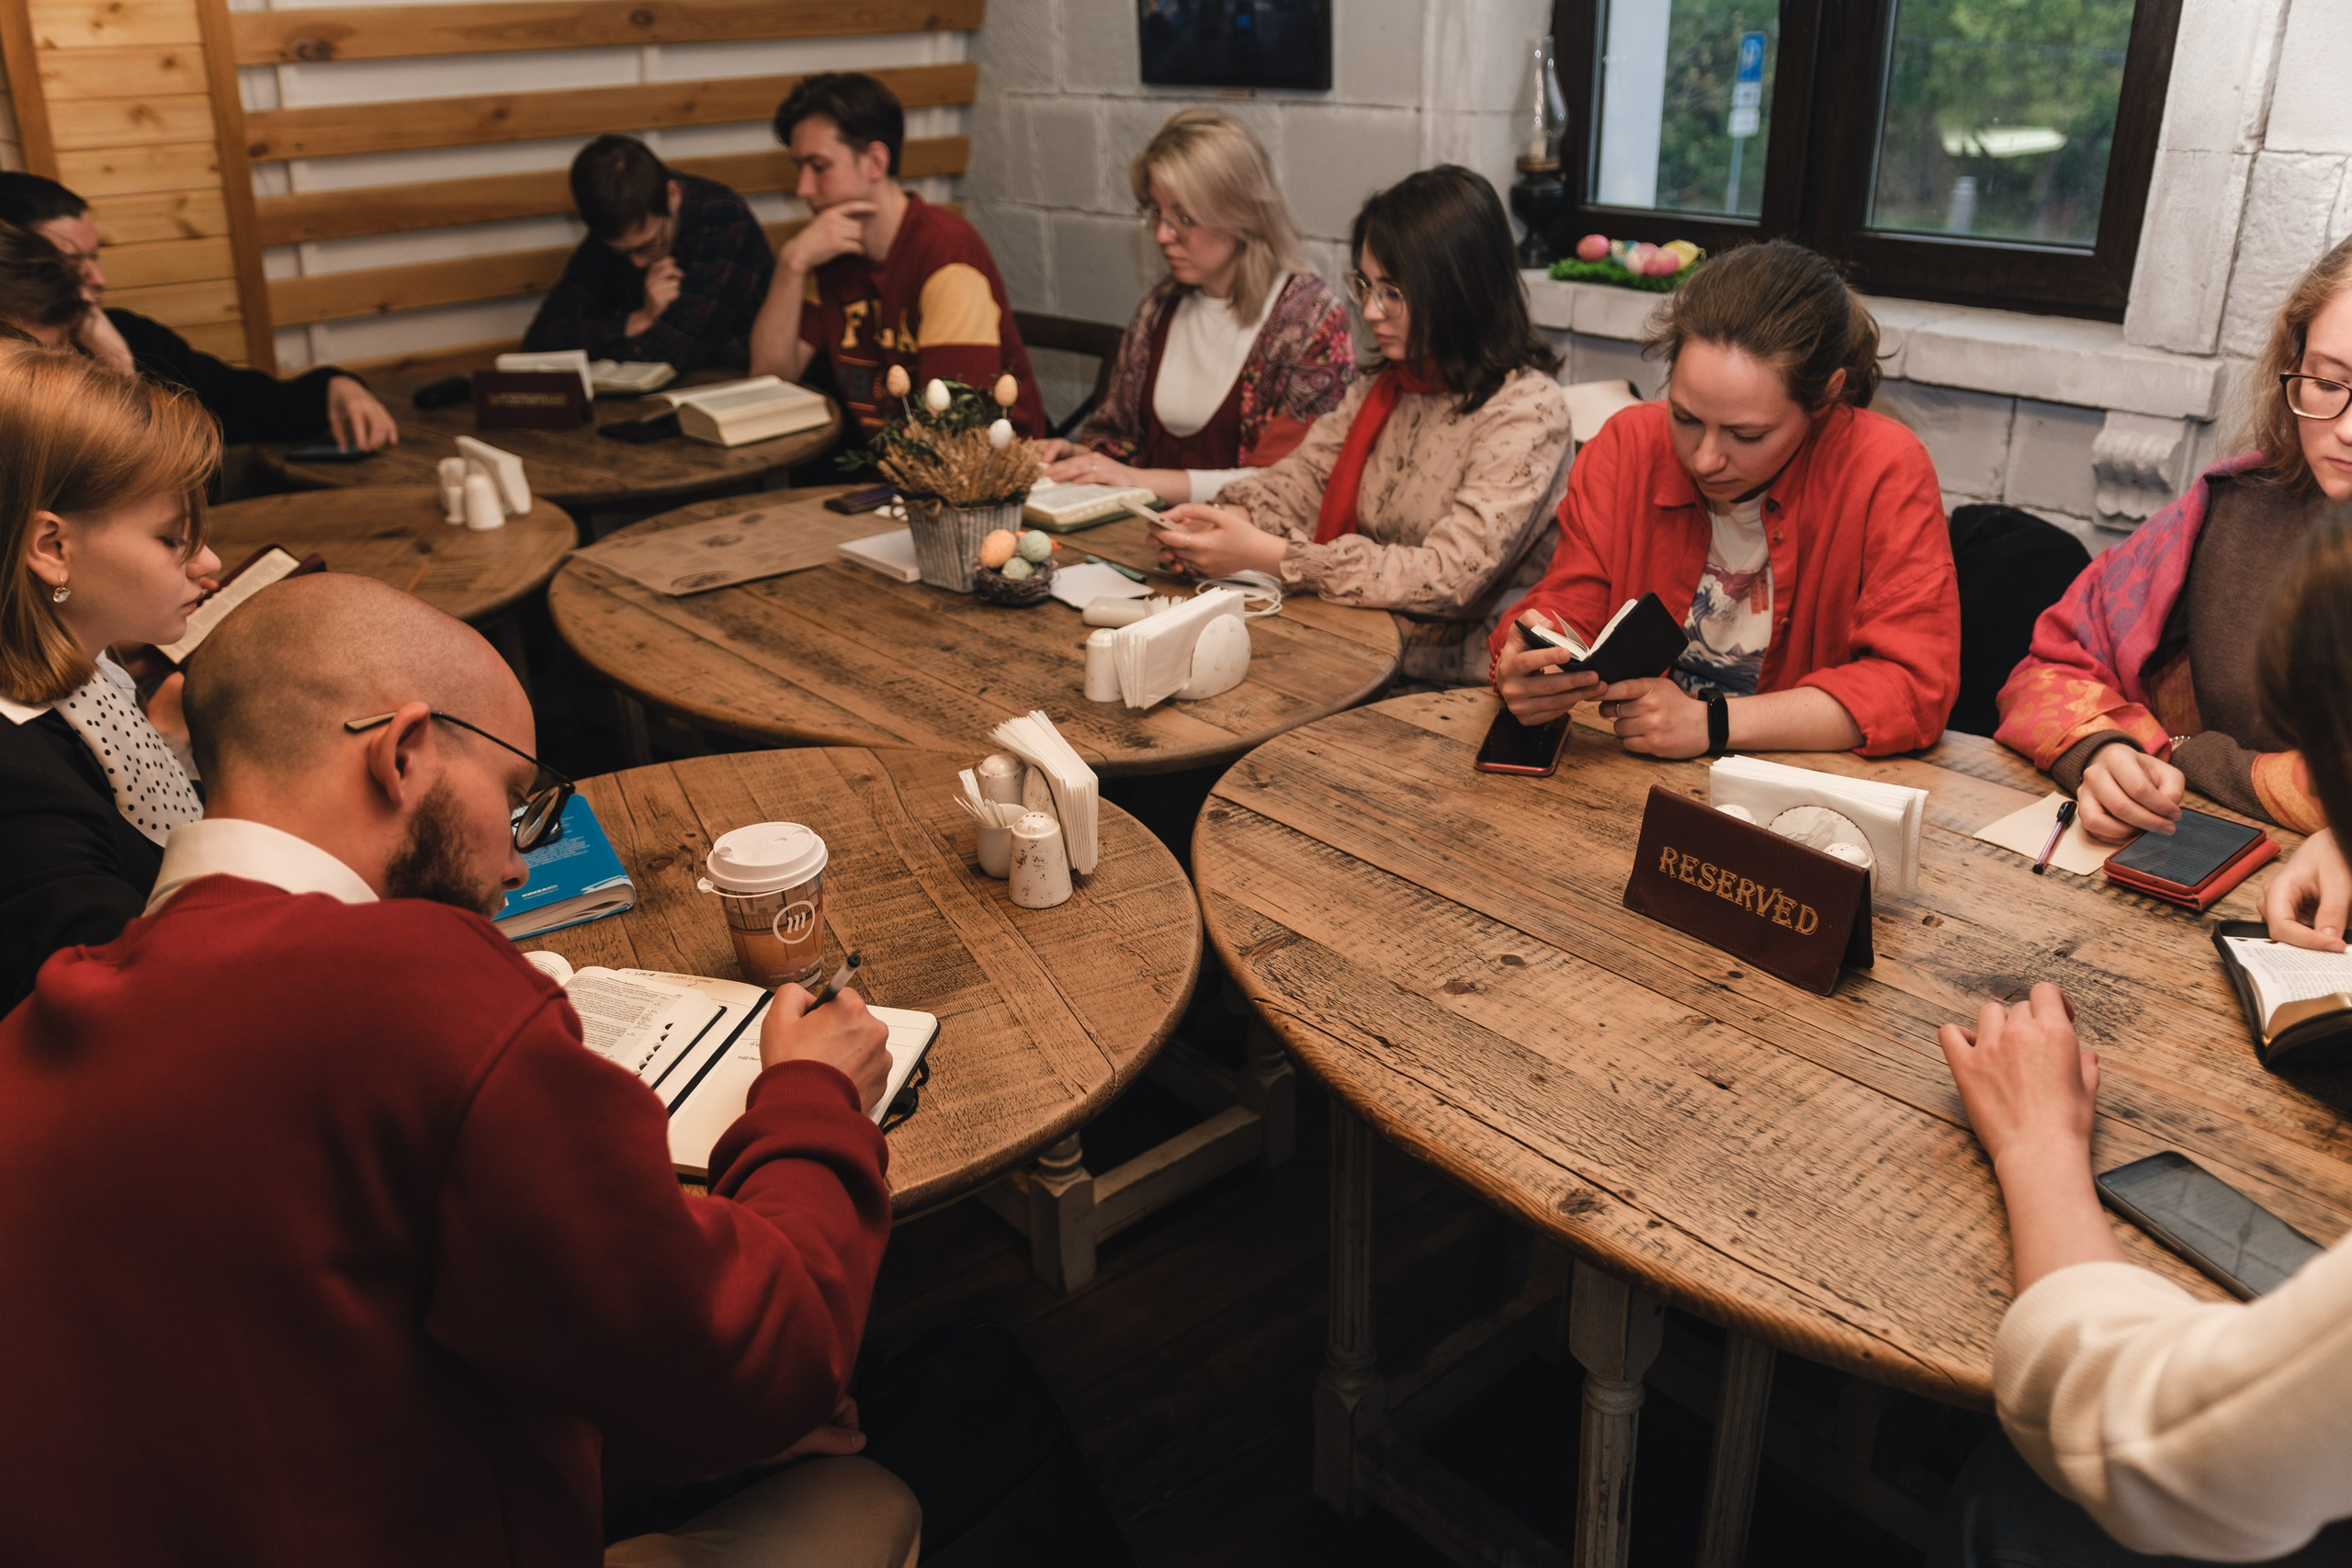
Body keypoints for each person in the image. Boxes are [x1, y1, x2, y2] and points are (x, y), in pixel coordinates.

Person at [0, 570, 922, 1568]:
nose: (519, 863)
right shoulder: (406, 978)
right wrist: (816, 1098)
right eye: (515, 798)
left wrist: (654, 1437)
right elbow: (768, 1359)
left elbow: (331, 1387)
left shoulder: (41, 1023)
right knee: (867, 1495)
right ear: (403, 753)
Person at [1928, 513, 2352, 1568]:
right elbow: (2055, 664)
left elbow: (2156, 1455)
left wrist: (2037, 1148)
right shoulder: (2222, 515)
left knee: (2017, 1511)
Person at [1489, 239, 1959, 758]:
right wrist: (1533, 660)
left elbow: (1913, 688)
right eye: (1685, 418)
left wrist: (1710, 722)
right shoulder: (1627, 447)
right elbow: (1572, 605)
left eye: (1746, 435)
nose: (1705, 460)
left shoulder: (1883, 471)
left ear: (1826, 396)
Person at [1144, 164, 1571, 686]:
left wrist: (1276, 556)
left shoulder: (1528, 411)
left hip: (1450, 684)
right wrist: (1221, 522)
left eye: (1394, 292)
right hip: (1349, 640)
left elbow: (1449, 576)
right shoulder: (1388, 385)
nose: (1369, 311)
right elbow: (1305, 479)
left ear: (1461, 290)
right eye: (1365, 286)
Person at [1996, 237, 2352, 844]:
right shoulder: (2230, 510)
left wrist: (2191, 755)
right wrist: (2104, 750)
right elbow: (2049, 669)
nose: (2346, 430)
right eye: (2326, 382)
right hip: (2196, 860)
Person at [0, 343, 219, 1013]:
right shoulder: (21, 791)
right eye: (172, 539)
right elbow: (123, 1006)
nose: (209, 562)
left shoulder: (91, 665)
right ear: (52, 549)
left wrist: (166, 735)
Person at [1035, 108, 1351, 504]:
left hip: (1245, 536)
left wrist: (1138, 480)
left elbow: (1289, 484)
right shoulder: (1160, 308)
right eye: (1156, 212)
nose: (1162, 234)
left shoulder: (1310, 320)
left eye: (1183, 217)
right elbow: (1121, 447)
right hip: (1152, 527)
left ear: (1241, 216)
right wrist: (1077, 457)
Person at [0, 175, 399, 450]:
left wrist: (333, 386)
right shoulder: (15, 385)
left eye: (95, 256)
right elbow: (122, 476)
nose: (98, 278)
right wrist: (116, 362)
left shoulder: (130, 333)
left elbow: (238, 403)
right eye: (70, 264)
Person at [750, 73, 1046, 440]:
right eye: (799, 167)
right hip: (895, 462)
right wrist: (792, 263)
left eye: (819, 167)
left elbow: (951, 433)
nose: (803, 188)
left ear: (875, 161)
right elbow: (769, 382)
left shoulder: (946, 254)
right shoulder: (830, 248)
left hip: (983, 466)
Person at [522, 133, 775, 374]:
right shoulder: (617, 222)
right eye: (623, 252)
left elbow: (669, 357)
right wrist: (638, 320)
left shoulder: (724, 220)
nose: (638, 262)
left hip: (734, 385)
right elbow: (540, 341)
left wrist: (602, 345)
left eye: (648, 245)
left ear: (673, 195)